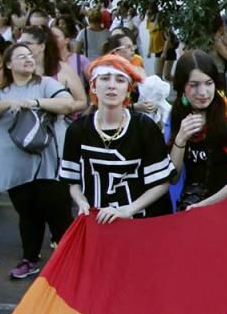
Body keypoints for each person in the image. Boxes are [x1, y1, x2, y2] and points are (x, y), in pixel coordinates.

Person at [0, 43, 77, 278]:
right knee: (28, 213)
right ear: (8, 64)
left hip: (49, 162)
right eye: (21, 56)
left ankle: (70, 260)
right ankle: (30, 258)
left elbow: (68, 103)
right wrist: (9, 104)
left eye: (30, 55)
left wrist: (36, 103)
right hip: (16, 164)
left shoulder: (47, 84)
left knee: (58, 212)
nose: (28, 59)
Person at [60, 54, 173, 221]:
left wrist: (128, 210)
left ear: (128, 89)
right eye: (105, 78)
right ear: (93, 86)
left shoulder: (144, 127)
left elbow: (162, 183)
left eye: (120, 80)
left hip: (139, 224)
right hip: (96, 222)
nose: (112, 86)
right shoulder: (77, 130)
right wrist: (81, 201)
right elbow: (72, 180)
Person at [168, 52, 227, 211]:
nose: (203, 92)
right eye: (194, 85)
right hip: (190, 206)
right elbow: (173, 178)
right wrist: (180, 139)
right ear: (182, 87)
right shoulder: (179, 114)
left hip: (225, 210)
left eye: (208, 83)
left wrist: (202, 207)